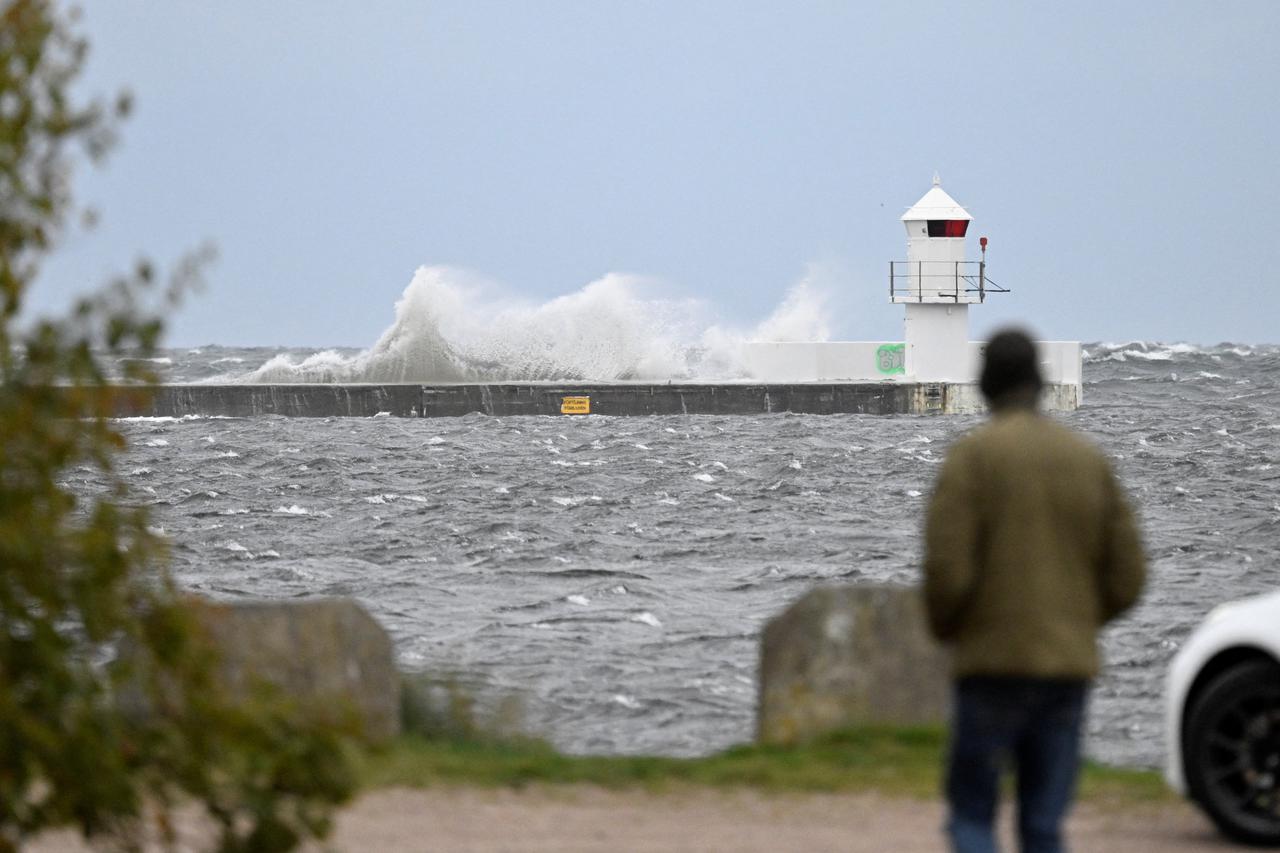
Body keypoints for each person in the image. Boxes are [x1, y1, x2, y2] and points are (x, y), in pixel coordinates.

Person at [923, 328, 1146, 853]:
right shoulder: (1087, 458)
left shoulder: (971, 458)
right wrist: (1078, 622)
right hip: (1065, 665)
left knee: (973, 817)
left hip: (989, 662)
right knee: (1044, 824)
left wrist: (949, 630)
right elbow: (1129, 574)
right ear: (1041, 383)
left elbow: (947, 571)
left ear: (984, 385)